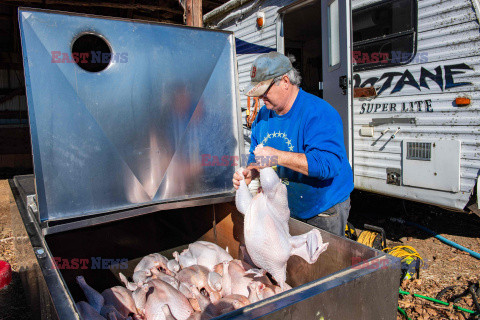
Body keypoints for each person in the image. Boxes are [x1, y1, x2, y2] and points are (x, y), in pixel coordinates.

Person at [232, 52, 354, 237]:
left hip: (322, 208)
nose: (261, 98)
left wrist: (277, 155)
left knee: (323, 265)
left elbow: (327, 165)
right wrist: (250, 171)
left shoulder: (319, 113)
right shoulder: (263, 117)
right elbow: (255, 157)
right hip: (286, 207)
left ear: (286, 82)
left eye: (264, 91)